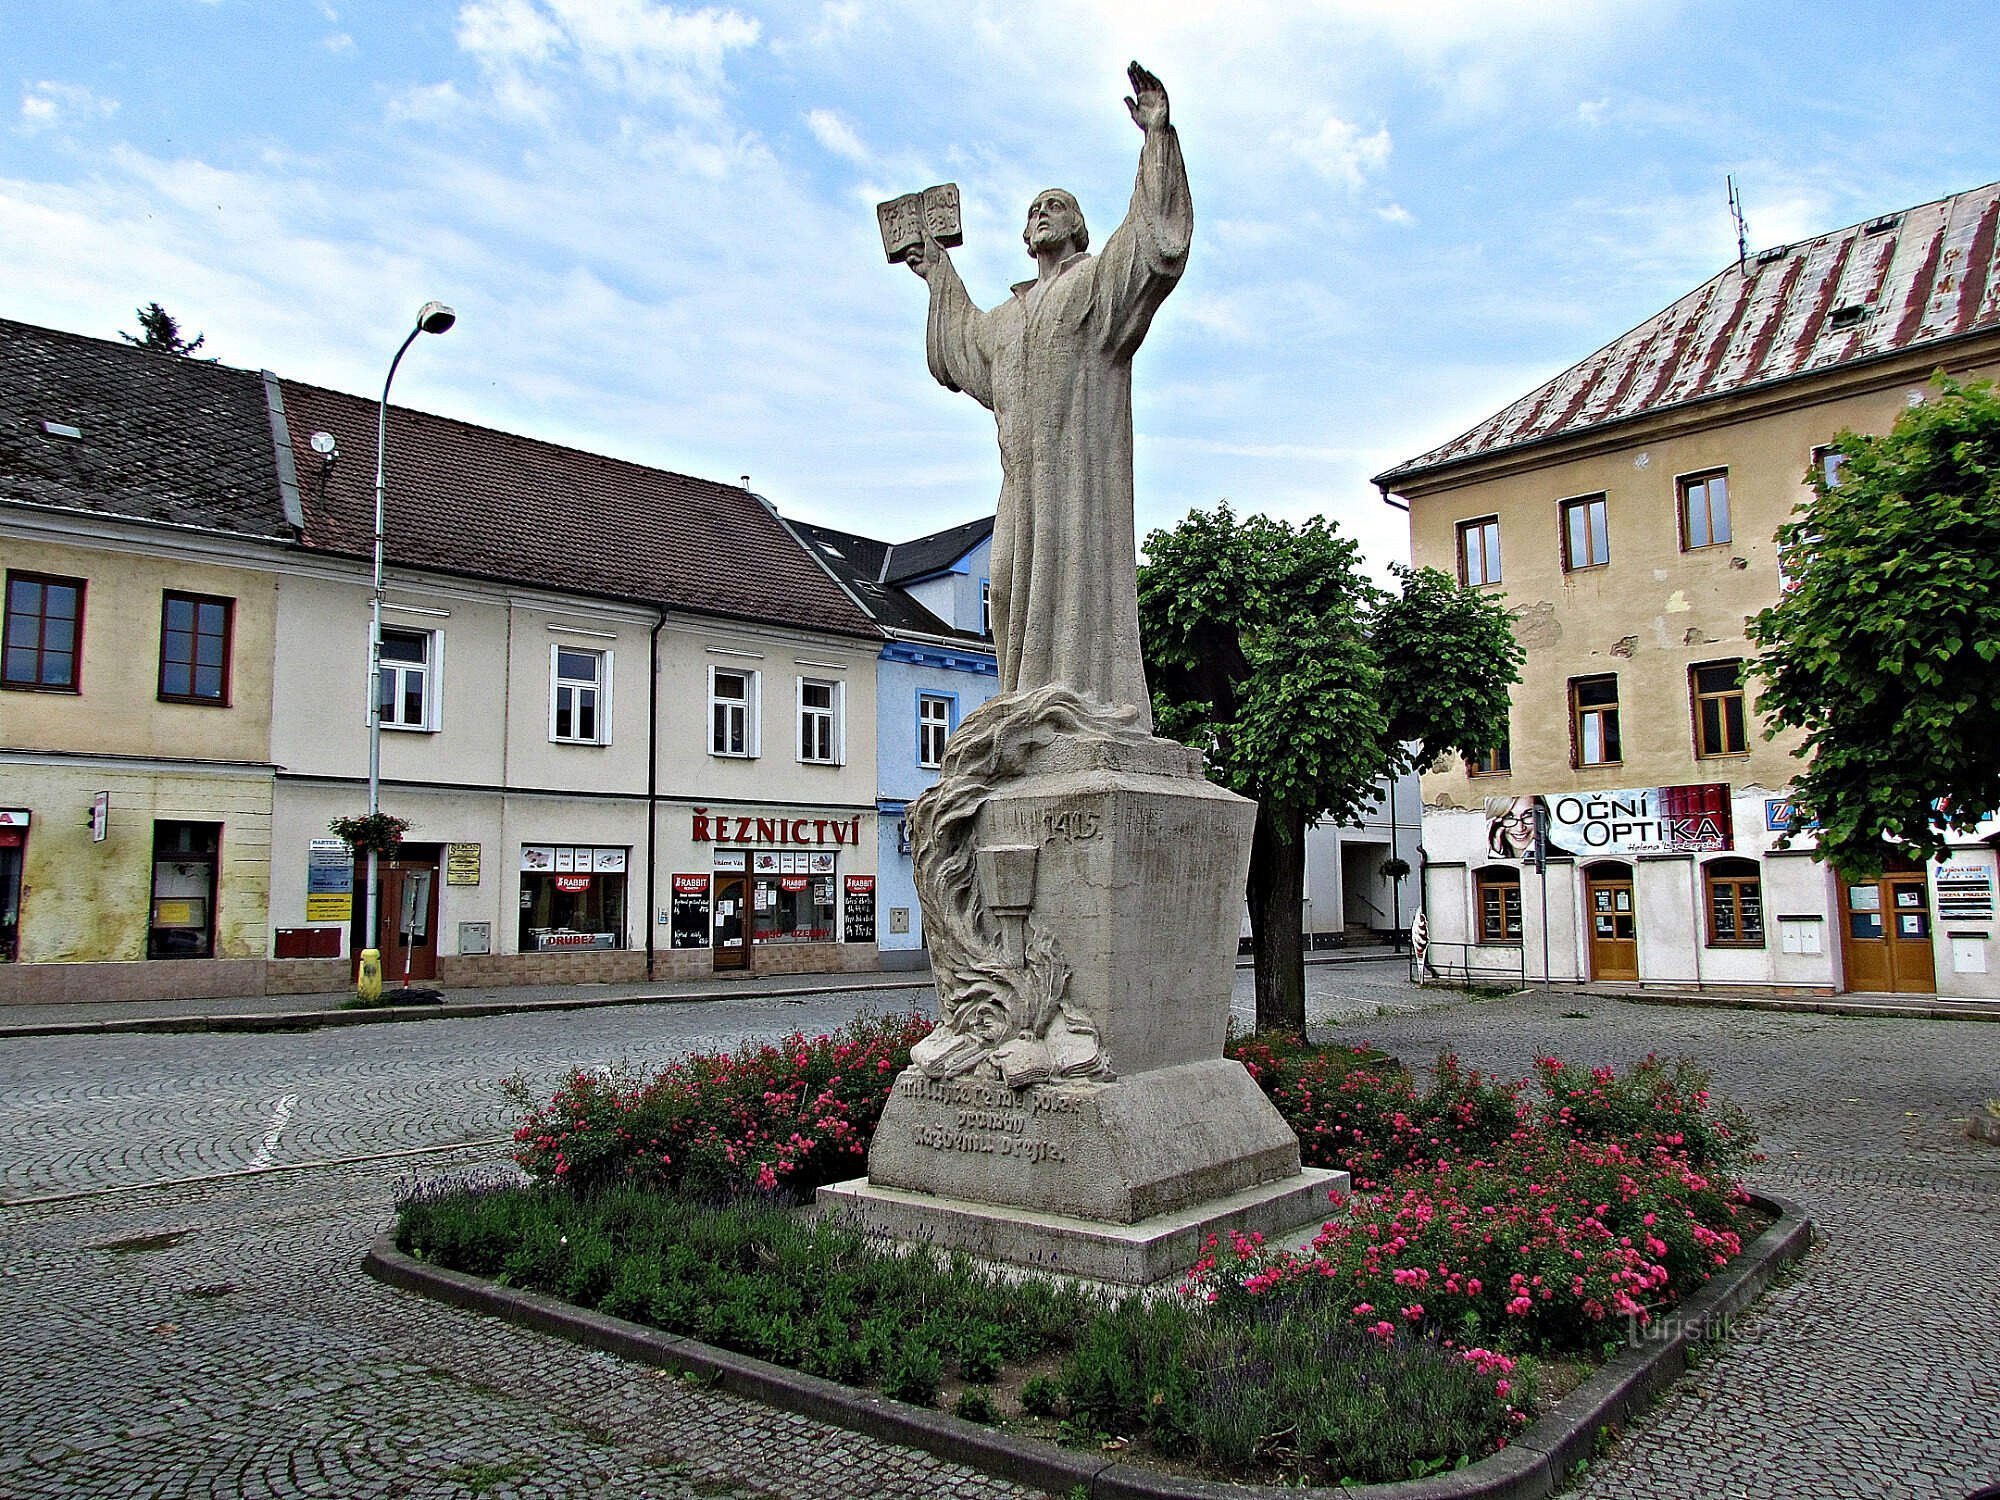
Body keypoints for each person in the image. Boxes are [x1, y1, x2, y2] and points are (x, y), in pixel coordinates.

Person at [904, 61, 1189, 733]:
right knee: (1004, 589)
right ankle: (1026, 711)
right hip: (1020, 489)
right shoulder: (1008, 318)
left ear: (1078, 227)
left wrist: (1156, 138)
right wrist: (938, 272)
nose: (1039, 216)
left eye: (1052, 206)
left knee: (1076, 594)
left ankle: (1078, 710)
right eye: (1032, 210)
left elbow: (1150, 248)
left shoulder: (1093, 286)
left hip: (1078, 489)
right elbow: (962, 353)